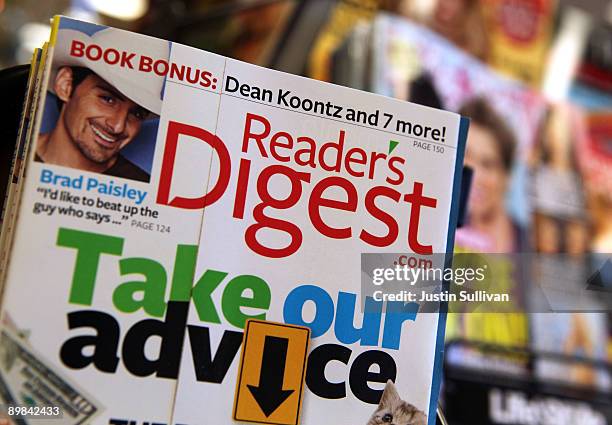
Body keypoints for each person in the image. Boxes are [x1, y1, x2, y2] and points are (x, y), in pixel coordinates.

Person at [35, 66, 151, 182]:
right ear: (66, 86)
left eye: (137, 114)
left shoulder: (141, 189)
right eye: (107, 99)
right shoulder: (19, 149)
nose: (118, 127)